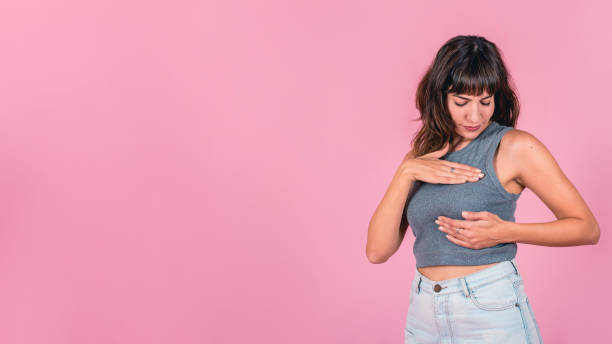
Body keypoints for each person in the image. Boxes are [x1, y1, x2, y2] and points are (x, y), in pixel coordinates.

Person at [365, 35, 600, 343]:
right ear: (440, 97)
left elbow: (586, 228)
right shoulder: (422, 155)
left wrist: (505, 232)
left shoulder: (515, 147)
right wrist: (405, 172)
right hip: (423, 313)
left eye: (485, 102)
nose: (474, 116)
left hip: (488, 310)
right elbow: (377, 251)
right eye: (461, 102)